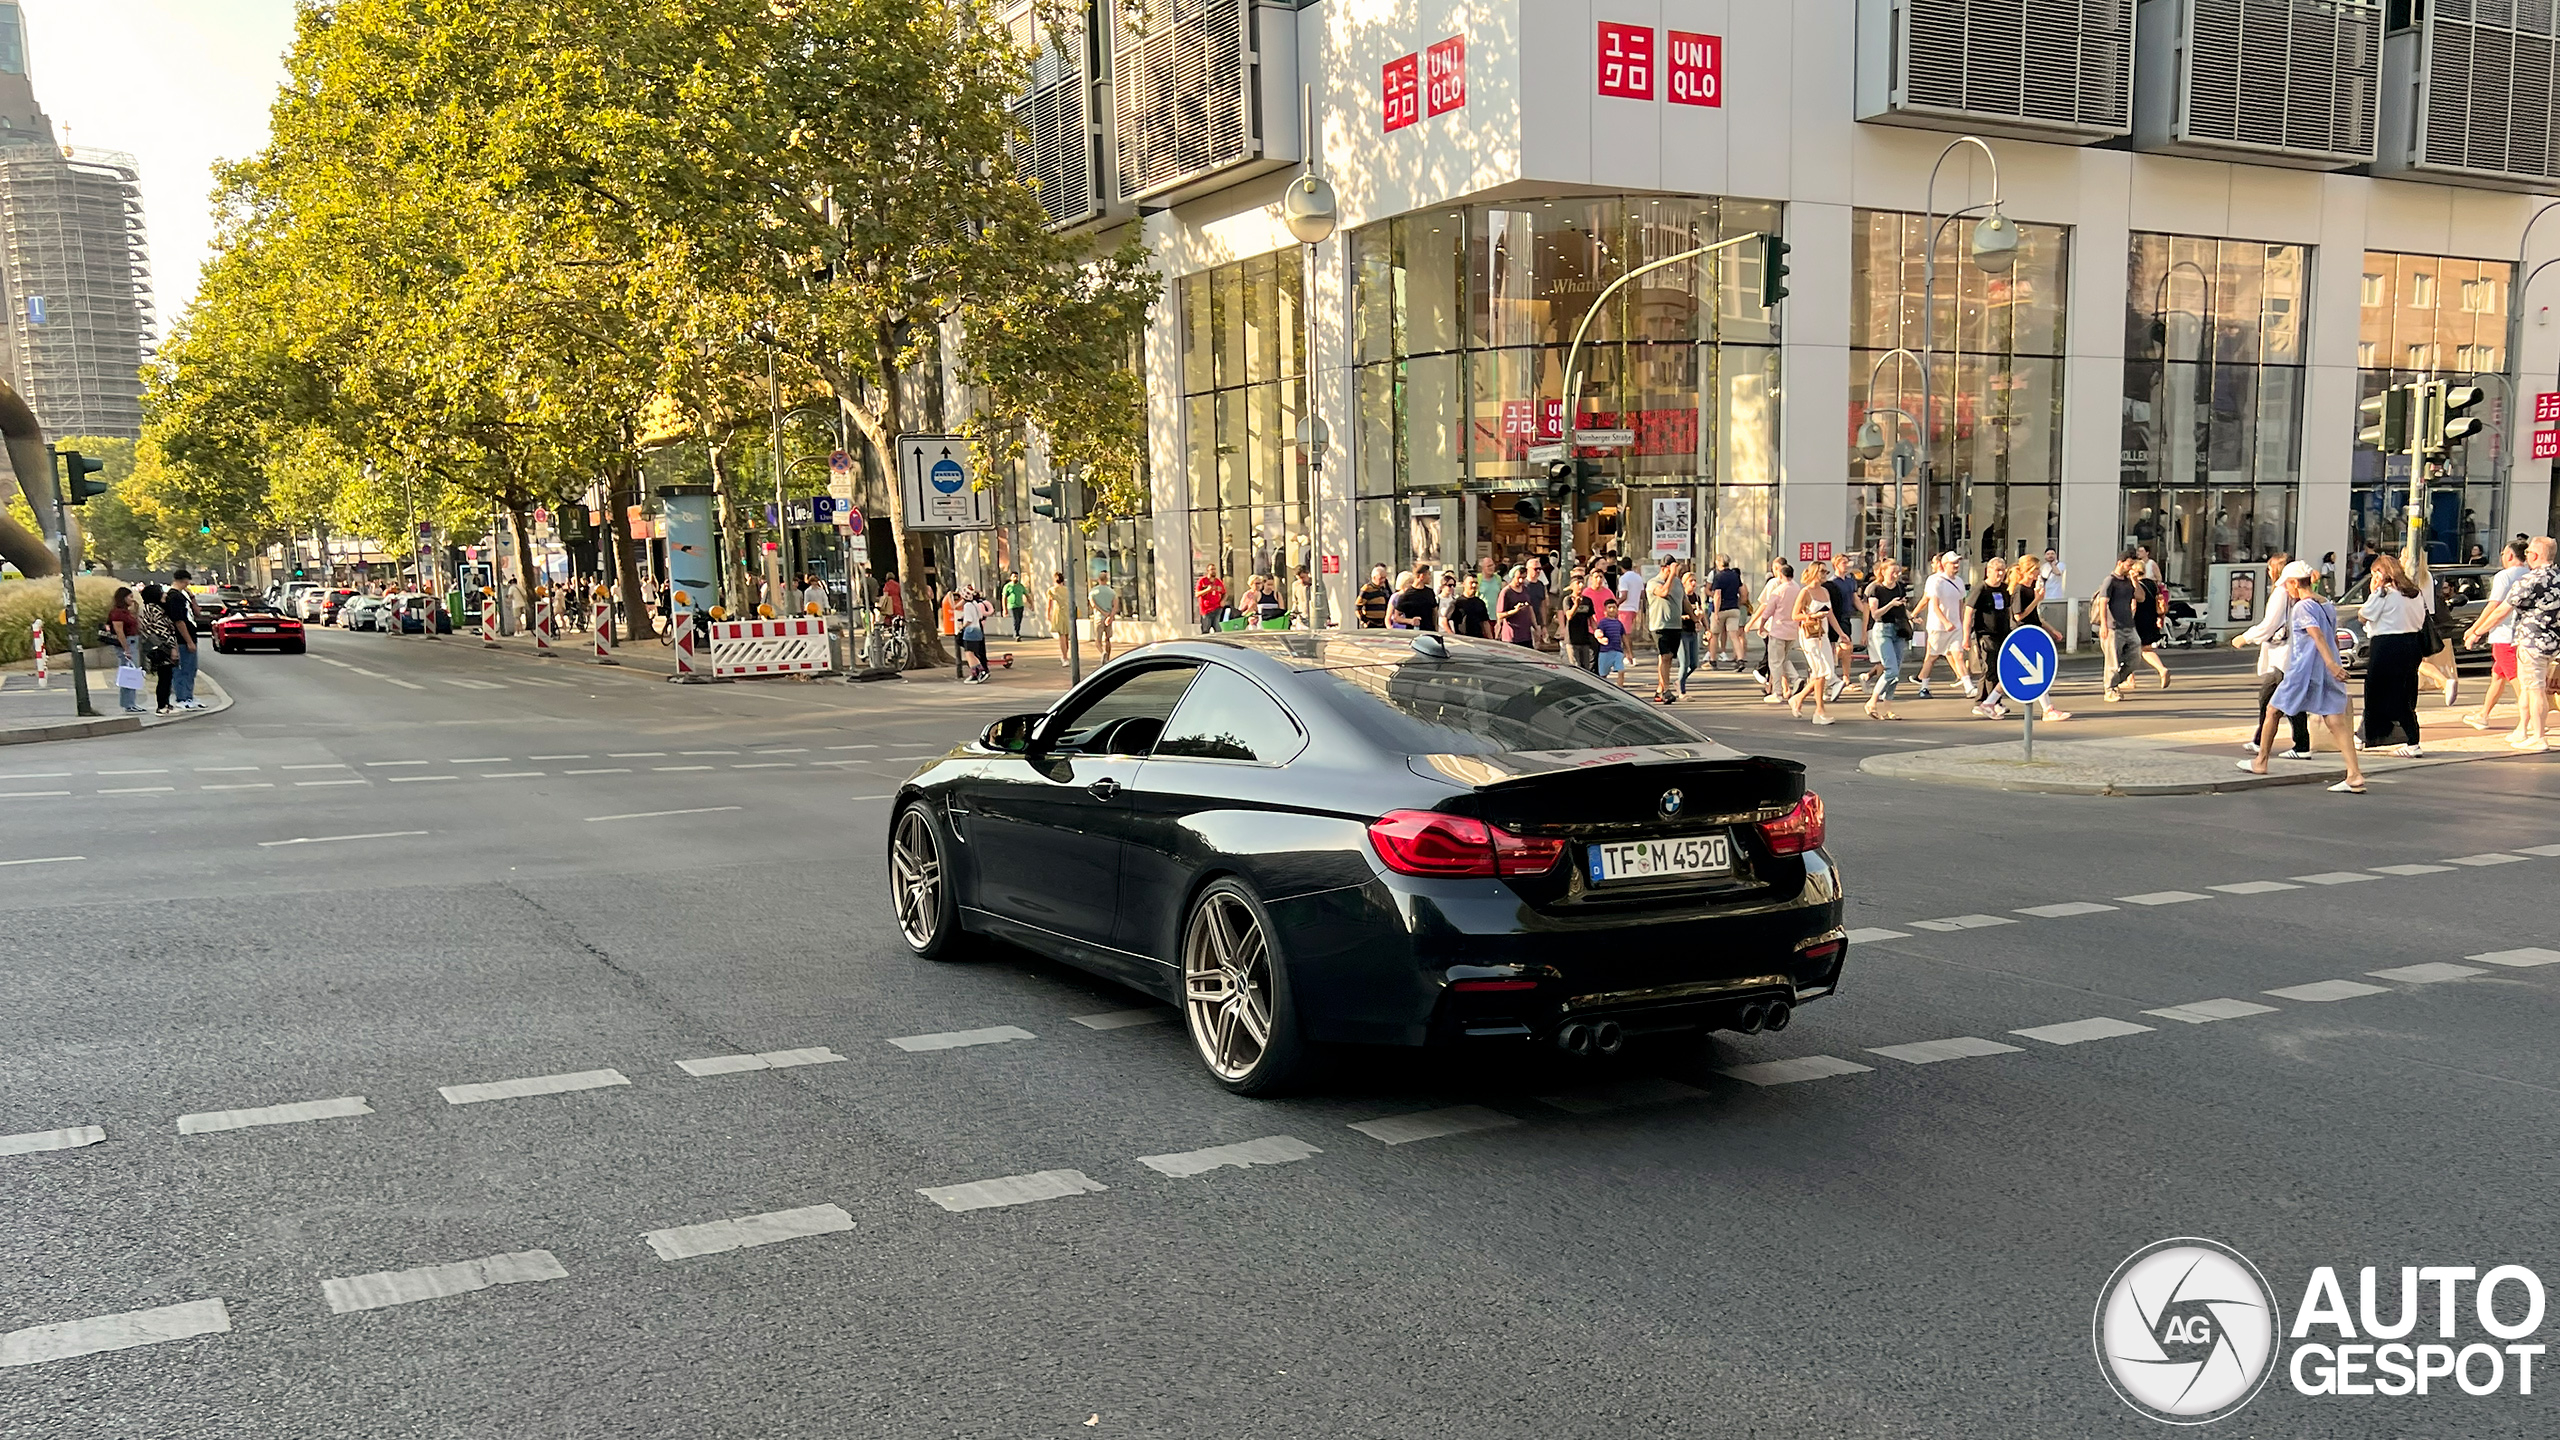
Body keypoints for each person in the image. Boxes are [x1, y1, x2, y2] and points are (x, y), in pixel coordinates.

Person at [2238, 562, 2366, 793]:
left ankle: (2261, 761)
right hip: (2324, 671)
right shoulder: (2324, 604)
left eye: (2287, 585)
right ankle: (2354, 774)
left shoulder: (2302, 607)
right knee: (2335, 721)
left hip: (2304, 670)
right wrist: (2333, 664)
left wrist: (2331, 663)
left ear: (2295, 583)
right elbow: (2331, 637)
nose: (2286, 590)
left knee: (2272, 711)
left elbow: (2316, 636)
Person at [2462, 535, 2559, 754]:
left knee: (2534, 689)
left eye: (2528, 554)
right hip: (2552, 641)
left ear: (2533, 555)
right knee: (2530, 687)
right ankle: (2523, 730)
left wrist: (2476, 632)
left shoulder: (2529, 580)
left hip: (2530, 639)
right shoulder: (2557, 577)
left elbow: (2501, 610)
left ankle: (2539, 736)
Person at [2232, 552, 2313, 761]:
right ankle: (2263, 741)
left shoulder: (2281, 592)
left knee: (2277, 700)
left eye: (2270, 568)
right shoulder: (2296, 594)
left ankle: (2297, 745)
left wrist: (2245, 637)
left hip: (2282, 654)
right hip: (2288, 653)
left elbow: (2270, 624)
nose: (2268, 572)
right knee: (2277, 699)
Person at [2356, 554, 2429, 758]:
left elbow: (2364, 615)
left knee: (2378, 691)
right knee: (2403, 691)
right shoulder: (2414, 593)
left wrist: (2373, 592)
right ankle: (2366, 734)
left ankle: (2410, 741)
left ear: (2380, 573)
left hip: (2387, 644)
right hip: (2411, 643)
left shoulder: (2384, 594)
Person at [2462, 540, 2532, 735]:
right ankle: (2484, 714)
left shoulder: (2504, 577)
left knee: (2517, 680)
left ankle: (2530, 721)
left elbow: (2494, 607)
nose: (2502, 557)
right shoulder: (2530, 575)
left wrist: (2475, 630)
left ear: (2510, 555)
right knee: (2498, 675)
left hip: (2504, 634)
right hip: (2522, 634)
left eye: (2503, 553)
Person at [1911, 553, 1973, 700]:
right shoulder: (1936, 581)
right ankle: (1924, 686)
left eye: (1957, 562)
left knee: (1958, 655)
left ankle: (1968, 686)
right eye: (1953, 563)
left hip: (1955, 626)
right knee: (1932, 657)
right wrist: (1945, 622)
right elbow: (1935, 605)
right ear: (1945, 564)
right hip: (1937, 627)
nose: (1956, 565)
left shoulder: (1959, 581)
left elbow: (1961, 603)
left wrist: (1961, 621)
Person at [1789, 562, 1842, 724]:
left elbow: (1830, 614)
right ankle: (1819, 711)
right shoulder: (1805, 592)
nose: (1825, 574)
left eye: (1826, 571)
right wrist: (1811, 617)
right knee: (1820, 671)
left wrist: (1841, 633)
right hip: (1809, 636)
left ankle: (1799, 698)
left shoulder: (1825, 591)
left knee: (1826, 672)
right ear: (1814, 573)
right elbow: (1794, 615)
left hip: (1823, 635)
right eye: (1822, 571)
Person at [1749, 559, 1804, 704]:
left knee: (1775, 662)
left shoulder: (1778, 591)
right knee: (1783, 658)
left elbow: (1767, 611)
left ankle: (1777, 692)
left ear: (1781, 574)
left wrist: (1760, 625)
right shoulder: (1797, 588)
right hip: (1792, 630)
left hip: (1778, 630)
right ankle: (1796, 678)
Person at [1966, 557, 2015, 720]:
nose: (2000, 574)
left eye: (2002, 571)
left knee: (2000, 668)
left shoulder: (2004, 589)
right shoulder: (1981, 588)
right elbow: (1968, 611)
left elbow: (2008, 609)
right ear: (1989, 571)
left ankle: (1993, 701)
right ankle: (1984, 702)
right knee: (1990, 667)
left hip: (2003, 633)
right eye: (1997, 571)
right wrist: (1966, 635)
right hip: (1985, 633)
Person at [1861, 560, 1909, 720]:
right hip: (1882, 630)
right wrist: (1890, 604)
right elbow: (1875, 614)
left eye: (1898, 571)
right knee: (1891, 669)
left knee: (1896, 672)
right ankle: (1872, 702)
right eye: (1893, 572)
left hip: (1899, 629)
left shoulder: (1900, 586)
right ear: (1883, 572)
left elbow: (1902, 606)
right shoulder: (1874, 588)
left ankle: (1888, 708)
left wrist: (1911, 616)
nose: (1897, 575)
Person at [2099, 554, 2142, 702]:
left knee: (2135, 657)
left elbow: (2140, 597)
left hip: (2129, 625)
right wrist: (2104, 624)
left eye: (2132, 565)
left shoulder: (2129, 582)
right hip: (2113, 627)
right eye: (2128, 564)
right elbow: (2103, 603)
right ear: (2120, 563)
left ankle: (2116, 681)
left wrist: (2135, 581)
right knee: (2112, 661)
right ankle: (2109, 690)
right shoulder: (2110, 581)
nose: (2130, 568)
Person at [1645, 558, 1687, 703]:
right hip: (1659, 625)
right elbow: (1663, 592)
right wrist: (1671, 576)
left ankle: (1659, 690)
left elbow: (1684, 601)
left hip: (1675, 625)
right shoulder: (1653, 583)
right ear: (1664, 568)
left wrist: (1695, 619)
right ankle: (1666, 690)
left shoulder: (1677, 583)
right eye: (1672, 568)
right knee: (1665, 656)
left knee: (1668, 659)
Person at [139, 582, 182, 714]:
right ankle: (162, 705)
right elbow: (164, 631)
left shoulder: (145, 609)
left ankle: (165, 704)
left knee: (164, 676)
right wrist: (173, 648)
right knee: (165, 677)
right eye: (161, 592)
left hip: (154, 646)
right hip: (163, 647)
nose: (164, 595)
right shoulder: (156, 610)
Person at [166, 569, 204, 709]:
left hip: (191, 636)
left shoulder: (183, 596)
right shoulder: (173, 597)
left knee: (191, 669)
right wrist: (188, 641)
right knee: (182, 669)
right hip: (182, 639)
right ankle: (182, 697)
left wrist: (192, 597)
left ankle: (189, 695)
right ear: (185, 580)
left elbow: (197, 613)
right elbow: (179, 621)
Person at [2132, 561, 2173, 689]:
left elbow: (2133, 605)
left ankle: (2129, 680)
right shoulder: (2152, 584)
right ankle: (2161, 669)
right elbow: (2160, 603)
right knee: (2146, 649)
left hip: (2137, 621)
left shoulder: (2134, 585)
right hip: (2151, 620)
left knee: (2127, 650)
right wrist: (2160, 618)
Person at [107, 586, 145, 713]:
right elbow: (119, 631)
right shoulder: (117, 613)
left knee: (132, 673)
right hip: (127, 642)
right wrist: (126, 648)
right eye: (130, 597)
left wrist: (136, 609)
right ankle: (128, 703)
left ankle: (131, 702)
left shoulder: (126, 612)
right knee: (129, 674)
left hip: (133, 641)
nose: (132, 599)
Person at [1706, 554, 1746, 672]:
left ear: (1719, 562)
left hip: (1721, 608)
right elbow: (1743, 592)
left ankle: (1713, 660)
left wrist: (1716, 612)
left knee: (1714, 635)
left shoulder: (1719, 577)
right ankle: (1740, 659)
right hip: (1733, 608)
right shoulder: (1735, 576)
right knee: (1734, 635)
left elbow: (1717, 595)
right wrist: (1738, 603)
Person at [954, 586, 994, 683]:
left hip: (970, 631)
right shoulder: (975, 604)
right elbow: (980, 616)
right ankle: (977, 673)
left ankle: (979, 671)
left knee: (969, 653)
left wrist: (962, 627)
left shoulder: (967, 606)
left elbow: (968, 620)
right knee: (973, 652)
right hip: (978, 630)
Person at [1391, 566, 1440, 631]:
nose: (1430, 577)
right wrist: (1410, 621)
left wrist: (1436, 630)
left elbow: (1434, 613)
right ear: (1421, 576)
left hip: (1430, 632)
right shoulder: (1406, 595)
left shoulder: (1430, 592)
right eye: (1428, 574)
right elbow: (1396, 618)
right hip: (1413, 633)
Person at [1496, 566, 1536, 646]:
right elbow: (1499, 615)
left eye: (1524, 578)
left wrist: (1535, 625)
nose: (1521, 580)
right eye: (1518, 578)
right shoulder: (1506, 592)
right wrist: (1514, 611)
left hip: (1526, 635)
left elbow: (1530, 608)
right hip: (1512, 636)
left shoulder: (1525, 589)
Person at [1088, 569, 1120, 663]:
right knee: (1107, 638)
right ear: (1107, 580)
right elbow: (1115, 606)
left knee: (1097, 640)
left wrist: (1102, 613)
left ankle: (1102, 652)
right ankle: (1108, 658)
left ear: (1098, 579)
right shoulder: (1112, 592)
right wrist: (1110, 616)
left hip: (1098, 617)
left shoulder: (1093, 592)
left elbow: (1093, 605)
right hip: (1108, 619)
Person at [1594, 603, 1628, 684]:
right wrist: (1601, 639)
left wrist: (1628, 651)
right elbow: (1598, 633)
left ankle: (1620, 689)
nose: (1612, 610)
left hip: (1617, 651)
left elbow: (1623, 636)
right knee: (1603, 675)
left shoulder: (1619, 623)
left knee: (1621, 671)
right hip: (1605, 651)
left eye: (1614, 607)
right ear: (1605, 610)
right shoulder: (1602, 622)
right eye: (1609, 607)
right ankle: (1603, 689)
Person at [1044, 571, 1070, 667]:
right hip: (1067, 613)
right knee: (1066, 635)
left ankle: (1065, 657)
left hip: (1058, 613)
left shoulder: (1051, 590)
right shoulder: (1067, 590)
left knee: (1062, 636)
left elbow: (1049, 604)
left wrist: (1048, 614)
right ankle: (1065, 655)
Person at [1000, 573, 1027, 638]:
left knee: (1019, 620)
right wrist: (1004, 609)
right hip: (1012, 606)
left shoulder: (1020, 586)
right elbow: (1004, 597)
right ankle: (1016, 634)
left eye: (1017, 577)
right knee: (1016, 619)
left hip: (1020, 605)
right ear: (1011, 578)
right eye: (1014, 577)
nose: (1016, 578)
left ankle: (1017, 631)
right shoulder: (1007, 586)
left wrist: (1031, 604)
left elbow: (1027, 595)